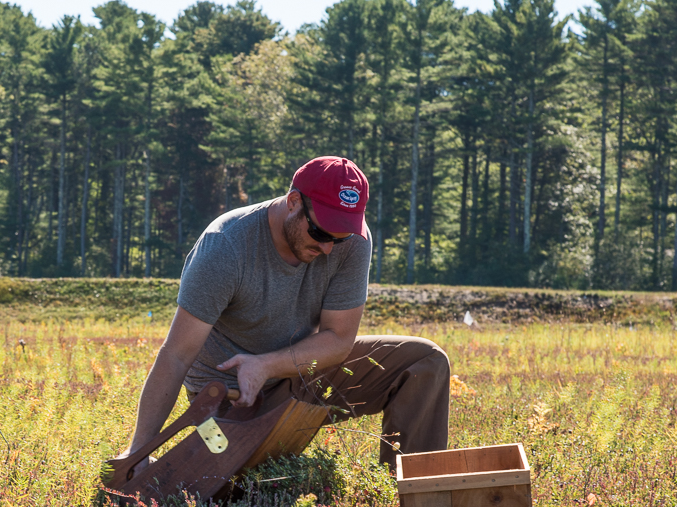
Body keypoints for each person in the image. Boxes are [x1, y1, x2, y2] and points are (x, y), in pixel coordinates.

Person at [120, 156, 450, 473]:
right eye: (321, 233)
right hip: (229, 398)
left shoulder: (351, 242)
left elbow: (338, 340)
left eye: (341, 236)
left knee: (425, 362)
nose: (328, 249)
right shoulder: (226, 246)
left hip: (299, 374)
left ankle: (414, 494)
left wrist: (265, 364)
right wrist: (139, 449)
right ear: (293, 201)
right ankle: (228, 453)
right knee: (231, 481)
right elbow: (176, 356)